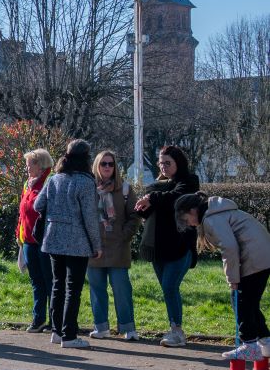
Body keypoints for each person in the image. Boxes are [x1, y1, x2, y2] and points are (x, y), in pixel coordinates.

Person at [175, 192, 270, 363]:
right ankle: (266, 342)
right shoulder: (219, 212)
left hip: (254, 257)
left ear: (193, 210)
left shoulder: (211, 219)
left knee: (240, 301)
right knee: (250, 303)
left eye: (185, 218)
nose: (188, 223)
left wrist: (232, 278)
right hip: (263, 255)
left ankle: (249, 345)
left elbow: (230, 248)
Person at [33, 140, 103, 349]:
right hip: (77, 241)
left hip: (53, 238)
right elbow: (90, 218)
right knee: (73, 289)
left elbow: (38, 204)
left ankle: (56, 331)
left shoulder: (55, 179)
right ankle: (69, 335)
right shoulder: (86, 182)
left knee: (57, 286)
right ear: (87, 158)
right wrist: (96, 245)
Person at [135, 145, 201, 348]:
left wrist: (153, 197)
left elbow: (177, 198)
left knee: (170, 286)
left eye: (168, 163)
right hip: (157, 247)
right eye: (161, 163)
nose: (163, 166)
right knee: (167, 289)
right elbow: (150, 209)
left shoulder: (189, 181)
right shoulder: (155, 187)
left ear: (178, 163)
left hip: (180, 246)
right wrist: (145, 204)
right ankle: (174, 328)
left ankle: (177, 331)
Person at [88, 149, 139, 340]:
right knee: (97, 290)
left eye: (111, 164)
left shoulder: (124, 189)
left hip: (118, 247)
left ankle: (128, 328)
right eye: (103, 164)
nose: (107, 167)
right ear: (97, 166)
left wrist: (124, 236)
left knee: (121, 289)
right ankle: (101, 327)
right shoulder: (89, 188)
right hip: (94, 247)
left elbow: (134, 216)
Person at [16, 149, 54, 333]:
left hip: (45, 240)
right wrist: (19, 234)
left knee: (50, 281)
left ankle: (54, 321)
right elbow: (22, 212)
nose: (27, 167)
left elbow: (38, 208)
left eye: (30, 163)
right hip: (29, 240)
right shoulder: (27, 184)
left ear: (41, 165)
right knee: (36, 281)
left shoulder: (49, 182)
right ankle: (38, 319)